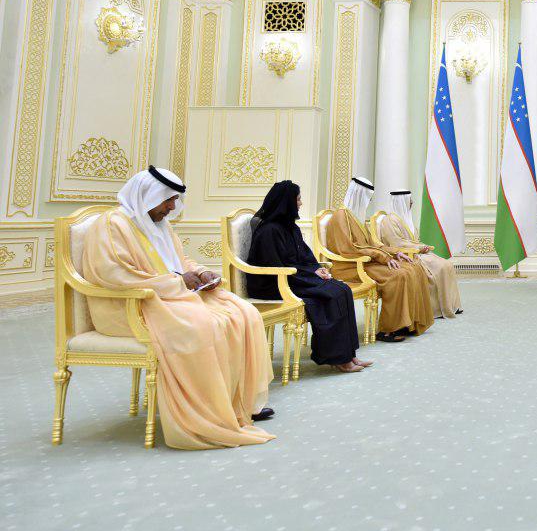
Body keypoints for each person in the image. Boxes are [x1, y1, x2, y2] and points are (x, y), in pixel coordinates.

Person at [80, 167, 275, 450]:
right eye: (168, 200)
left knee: (242, 312)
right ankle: (208, 413)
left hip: (166, 296)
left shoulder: (159, 223)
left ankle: (237, 405)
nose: (172, 207)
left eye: (174, 200)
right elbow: (113, 275)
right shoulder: (112, 224)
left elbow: (179, 262)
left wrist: (201, 273)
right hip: (128, 305)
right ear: (147, 196)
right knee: (202, 325)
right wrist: (176, 282)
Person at [247, 180, 370, 373]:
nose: (300, 203)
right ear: (286, 202)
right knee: (331, 294)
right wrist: (310, 274)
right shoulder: (269, 231)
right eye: (298, 199)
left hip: (292, 277)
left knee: (343, 289)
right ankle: (338, 358)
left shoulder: (290, 227)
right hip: (273, 283)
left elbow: (304, 256)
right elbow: (275, 266)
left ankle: (349, 354)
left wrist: (316, 270)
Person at [326, 177, 434, 342]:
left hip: (366, 262)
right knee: (398, 275)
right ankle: (388, 329)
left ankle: (409, 323)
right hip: (349, 266)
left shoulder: (356, 217)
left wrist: (395, 252)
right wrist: (383, 257)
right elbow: (350, 249)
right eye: (368, 197)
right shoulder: (341, 217)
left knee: (413, 267)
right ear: (359, 195)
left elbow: (373, 244)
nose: (369, 202)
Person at [379, 189, 463, 318]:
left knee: (447, 265)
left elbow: (414, 239)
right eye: (409, 200)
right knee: (441, 267)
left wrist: (422, 246)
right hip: (405, 256)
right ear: (401, 202)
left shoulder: (405, 219)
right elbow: (396, 243)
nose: (412, 203)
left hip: (416, 253)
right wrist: (419, 247)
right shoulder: (389, 220)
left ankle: (451, 306)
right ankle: (435, 309)